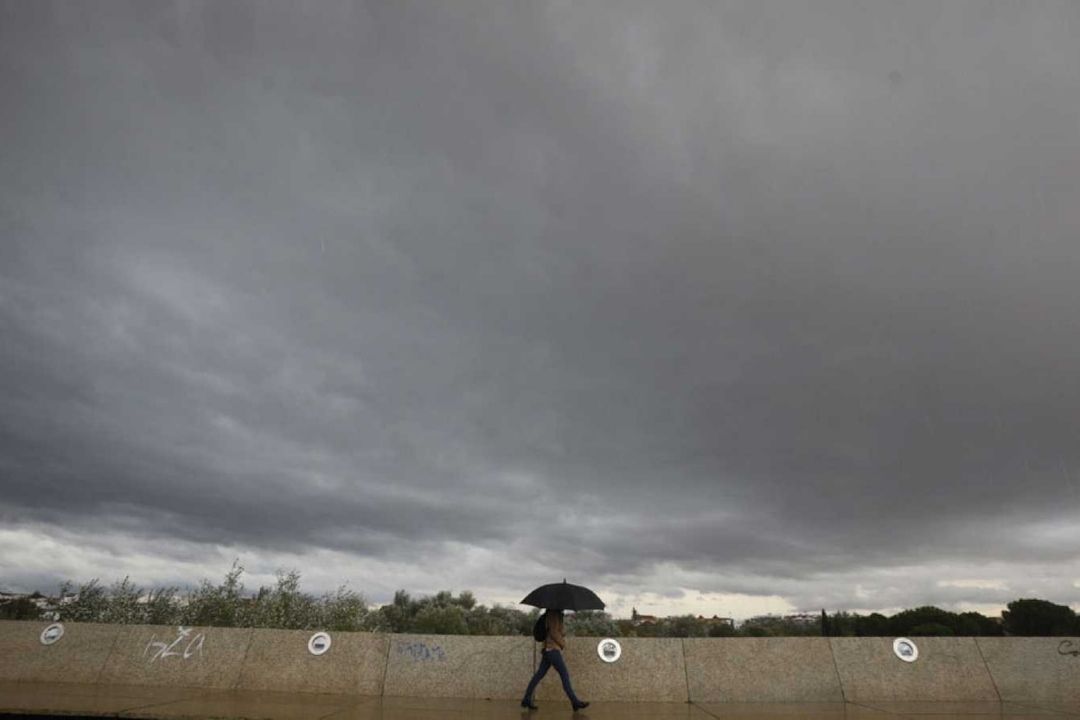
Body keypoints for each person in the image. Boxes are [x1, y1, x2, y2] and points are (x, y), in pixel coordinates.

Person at [520, 609, 589, 711]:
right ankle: (575, 702)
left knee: (538, 675)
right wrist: (562, 643)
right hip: (552, 650)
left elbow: (555, 630)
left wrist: (562, 632)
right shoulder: (554, 614)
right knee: (564, 675)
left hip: (547, 649)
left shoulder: (554, 613)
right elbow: (553, 632)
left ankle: (526, 699)